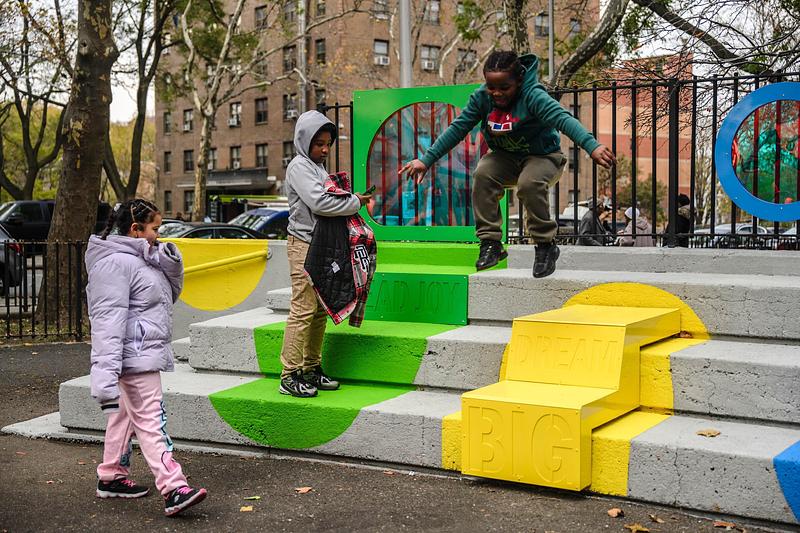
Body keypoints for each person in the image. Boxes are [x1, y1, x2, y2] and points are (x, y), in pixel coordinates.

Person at [400, 50, 616, 278]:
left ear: (519, 80)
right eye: (492, 87)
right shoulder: (481, 98)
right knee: (483, 173)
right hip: (506, 157)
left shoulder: (533, 96)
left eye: (505, 88)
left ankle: (545, 245)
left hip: (544, 156)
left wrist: (591, 146)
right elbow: (458, 128)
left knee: (528, 184)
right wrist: (426, 160)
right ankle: (491, 243)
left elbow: (563, 119)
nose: (497, 93)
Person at [86, 199, 207, 517]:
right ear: (135, 230)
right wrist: (104, 374)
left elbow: (168, 295)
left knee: (125, 416)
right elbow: (107, 323)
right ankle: (173, 488)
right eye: (155, 229)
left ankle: (111, 477)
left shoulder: (142, 259)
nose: (160, 234)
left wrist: (168, 262)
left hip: (140, 352)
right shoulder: (114, 264)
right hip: (135, 357)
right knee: (153, 421)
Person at [280, 110, 372, 398]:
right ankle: (289, 374)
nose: (324, 149)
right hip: (304, 244)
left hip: (321, 245)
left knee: (320, 310)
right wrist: (355, 201)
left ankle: (310, 367)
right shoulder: (299, 166)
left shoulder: (317, 167)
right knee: (303, 309)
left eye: (328, 144)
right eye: (318, 143)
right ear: (304, 140)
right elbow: (320, 203)